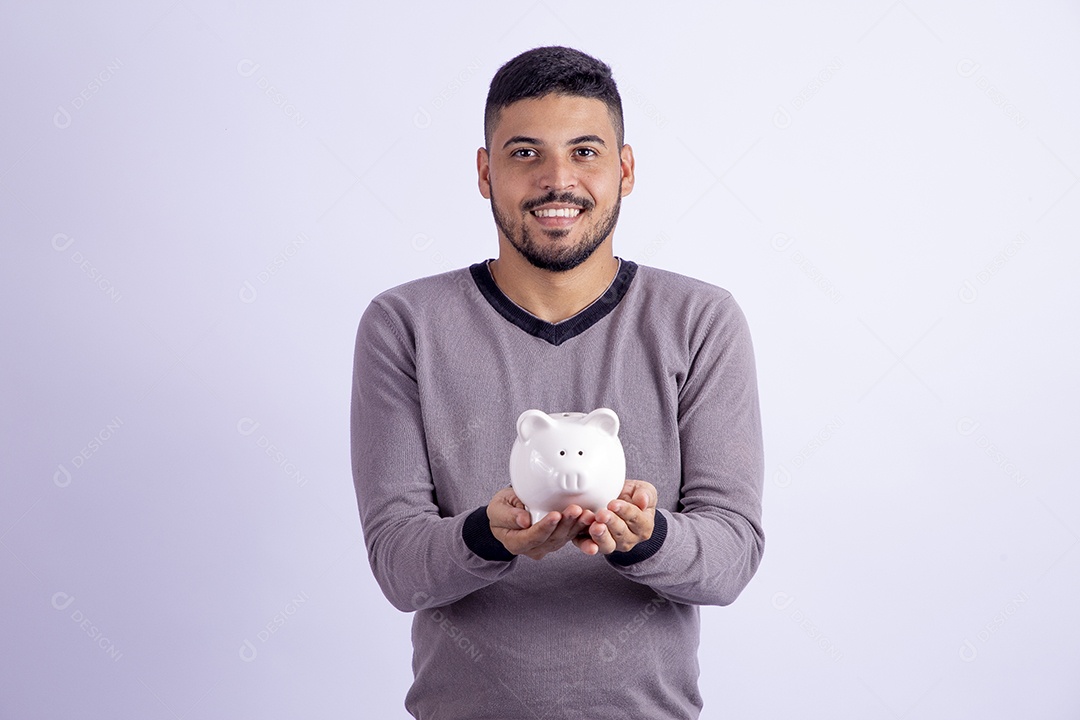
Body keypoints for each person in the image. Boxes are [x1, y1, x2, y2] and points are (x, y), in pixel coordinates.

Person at [351, 45, 764, 720]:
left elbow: (732, 555)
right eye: (524, 154)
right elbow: (398, 564)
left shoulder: (699, 321)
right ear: (485, 173)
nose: (556, 180)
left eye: (584, 151)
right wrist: (491, 536)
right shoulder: (405, 325)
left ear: (624, 169)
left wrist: (644, 536)